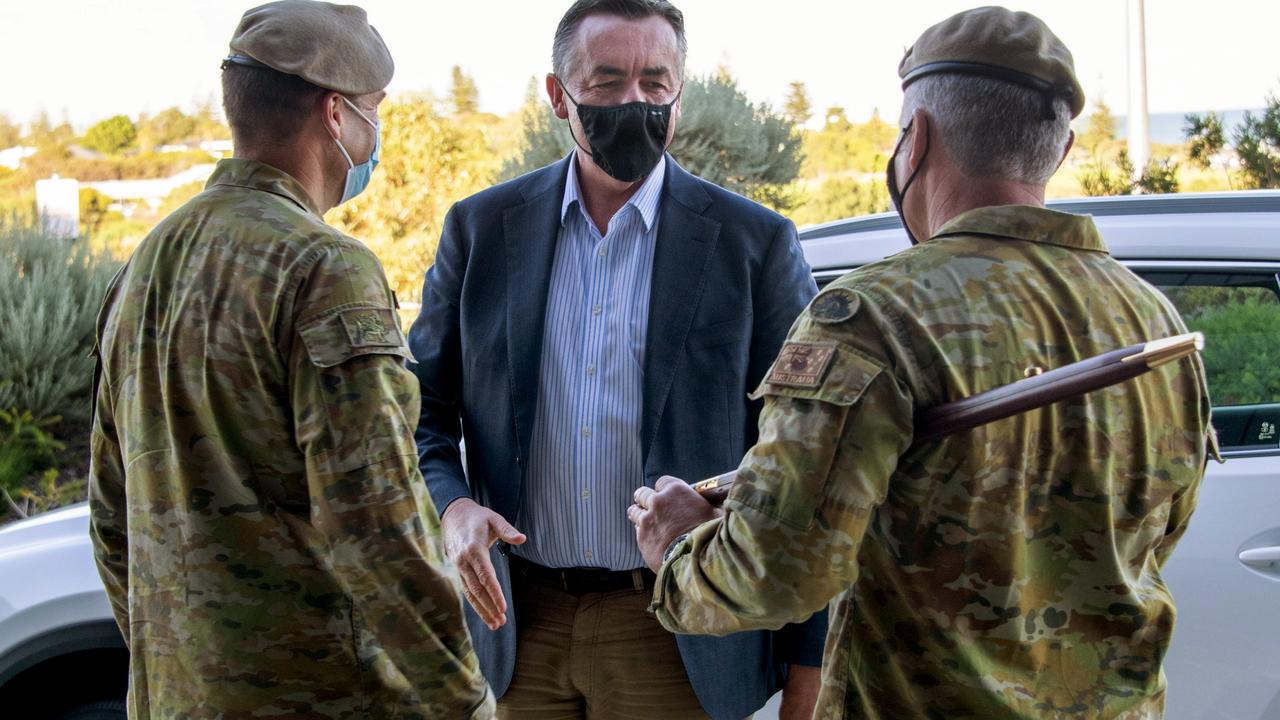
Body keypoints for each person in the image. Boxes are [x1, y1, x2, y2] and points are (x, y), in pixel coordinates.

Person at [630, 6, 1218, 718]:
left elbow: (776, 574)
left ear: (919, 138)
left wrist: (680, 543)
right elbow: (1155, 535)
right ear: (1059, 151)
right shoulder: (1152, 318)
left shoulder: (873, 316)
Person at [409, 1, 826, 716]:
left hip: (681, 628)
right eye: (606, 84)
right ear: (558, 95)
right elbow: (422, 413)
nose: (634, 103)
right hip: (521, 626)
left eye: (654, 84)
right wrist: (452, 508)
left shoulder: (754, 244)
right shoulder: (480, 230)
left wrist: (807, 670)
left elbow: (806, 463)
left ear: (679, 94)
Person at [87, 1, 493, 716]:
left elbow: (112, 514)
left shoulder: (146, 263)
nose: (376, 132)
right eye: (374, 110)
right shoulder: (323, 269)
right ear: (336, 116)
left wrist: (187, 663)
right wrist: (465, 702)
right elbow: (376, 525)